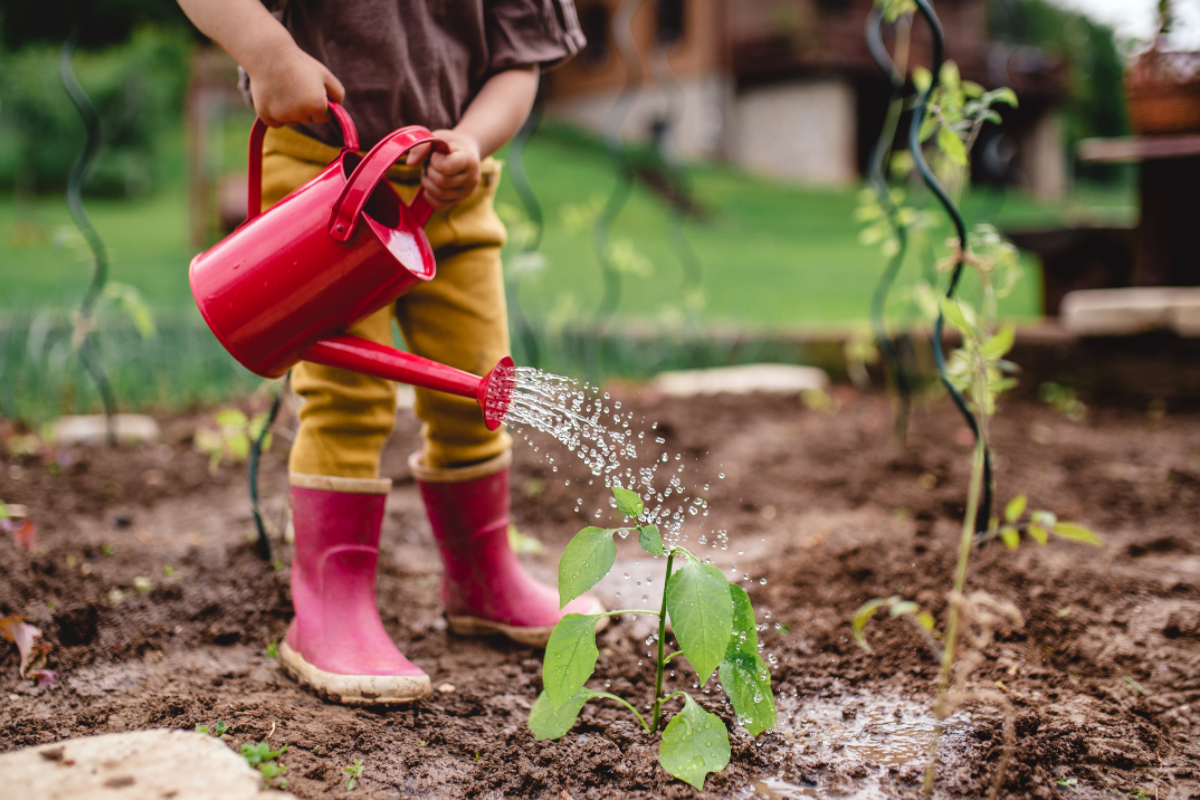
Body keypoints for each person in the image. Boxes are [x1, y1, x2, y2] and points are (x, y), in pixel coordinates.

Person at [177, 0, 604, 706]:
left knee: (478, 387)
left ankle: (483, 575)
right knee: (349, 400)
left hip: (452, 192)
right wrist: (270, 54)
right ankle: (329, 606)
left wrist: (471, 139)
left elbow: (518, 63)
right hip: (324, 182)